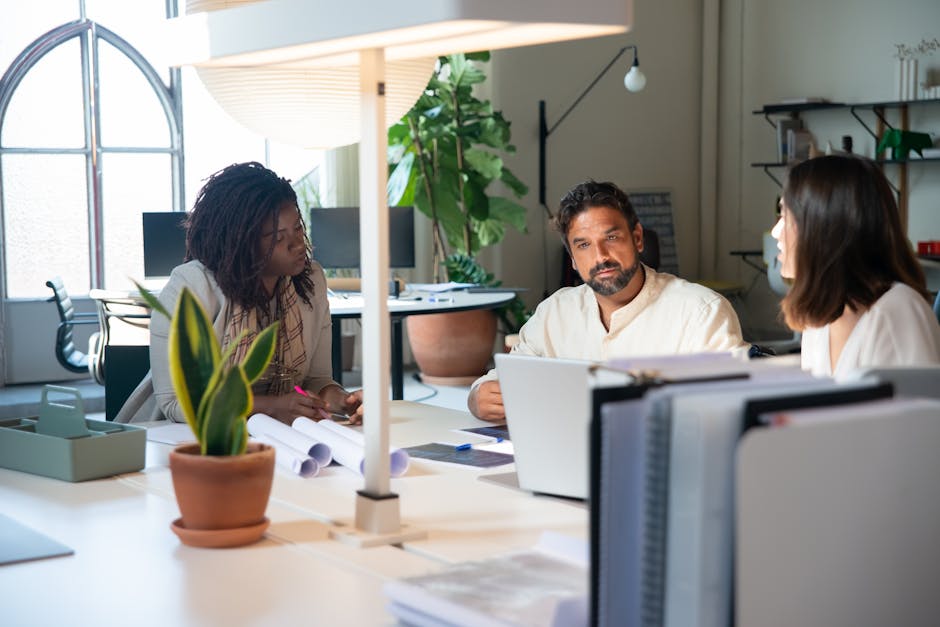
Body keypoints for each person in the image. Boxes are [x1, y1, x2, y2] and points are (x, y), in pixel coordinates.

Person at [468, 180, 746, 421]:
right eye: (583, 245)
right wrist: (479, 398)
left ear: (637, 238)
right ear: (573, 260)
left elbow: (732, 404)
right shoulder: (555, 312)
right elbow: (506, 379)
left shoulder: (700, 312)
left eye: (611, 237)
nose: (600, 256)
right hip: (564, 458)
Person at [116, 162, 363, 424]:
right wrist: (270, 407)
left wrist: (340, 399)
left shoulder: (310, 282)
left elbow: (316, 381)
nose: (297, 244)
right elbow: (177, 403)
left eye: (298, 229)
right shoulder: (192, 287)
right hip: (181, 439)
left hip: (279, 436)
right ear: (241, 242)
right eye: (279, 238)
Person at [771, 154, 940, 378]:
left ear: (825, 227)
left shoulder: (897, 311)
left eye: (785, 215)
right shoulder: (819, 320)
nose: (775, 232)